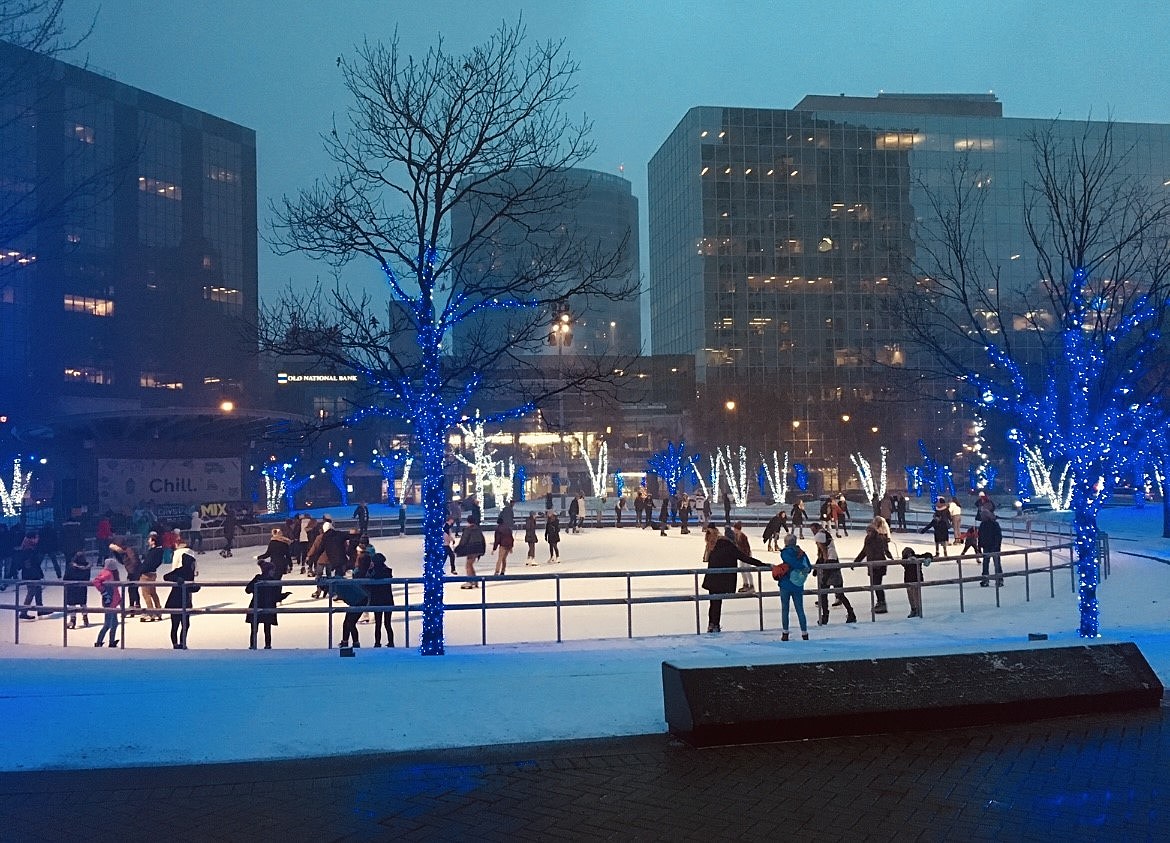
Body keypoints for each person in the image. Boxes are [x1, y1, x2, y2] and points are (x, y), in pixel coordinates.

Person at [701, 525, 765, 633]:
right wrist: (761, 564)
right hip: (722, 579)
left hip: (712, 579)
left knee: (714, 603)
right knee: (716, 603)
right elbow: (743, 557)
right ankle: (714, 625)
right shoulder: (726, 544)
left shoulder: (712, 546)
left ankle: (712, 624)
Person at [811, 523, 855, 625]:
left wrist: (824, 576)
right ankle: (826, 615)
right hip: (827, 571)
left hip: (833, 572)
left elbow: (830, 562)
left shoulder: (830, 551)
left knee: (837, 594)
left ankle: (849, 613)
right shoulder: (825, 548)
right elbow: (821, 557)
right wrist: (816, 568)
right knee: (825, 594)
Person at [854, 516, 894, 615]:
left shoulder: (880, 538)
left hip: (879, 565)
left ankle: (882, 603)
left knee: (877, 584)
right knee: (875, 584)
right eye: (867, 531)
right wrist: (856, 561)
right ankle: (880, 602)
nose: (868, 533)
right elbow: (864, 551)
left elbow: (885, 550)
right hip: (872, 565)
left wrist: (890, 557)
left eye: (869, 531)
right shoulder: (868, 539)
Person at [776, 533, 813, 640]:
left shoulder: (785, 553)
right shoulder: (801, 553)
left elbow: (791, 562)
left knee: (785, 609)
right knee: (800, 609)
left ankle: (785, 633)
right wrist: (802, 568)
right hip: (798, 585)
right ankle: (804, 633)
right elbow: (809, 567)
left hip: (785, 583)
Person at [163, 543, 199, 649]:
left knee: (185, 624)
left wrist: (195, 588)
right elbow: (166, 576)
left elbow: (188, 588)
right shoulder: (180, 570)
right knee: (176, 624)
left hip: (184, 601)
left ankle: (182, 642)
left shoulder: (190, 573)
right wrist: (177, 579)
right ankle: (176, 644)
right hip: (175, 601)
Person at [245, 560, 282, 649]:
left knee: (254, 629)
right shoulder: (273, 582)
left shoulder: (258, 579)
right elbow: (276, 597)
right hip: (267, 606)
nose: (274, 572)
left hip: (256, 605)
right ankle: (267, 646)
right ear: (268, 571)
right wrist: (283, 596)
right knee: (267, 628)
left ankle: (253, 645)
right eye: (272, 570)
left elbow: (248, 590)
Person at [331, 575, 369, 648]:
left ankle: (355, 643)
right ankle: (346, 641)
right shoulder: (337, 580)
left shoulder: (336, 585)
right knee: (347, 622)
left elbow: (340, 596)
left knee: (350, 623)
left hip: (359, 600)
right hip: (357, 600)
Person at [92, 558, 121, 648]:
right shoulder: (107, 574)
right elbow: (96, 581)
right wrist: (104, 592)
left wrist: (119, 600)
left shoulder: (110, 573)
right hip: (109, 601)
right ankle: (99, 642)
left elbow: (115, 590)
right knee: (107, 624)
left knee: (114, 624)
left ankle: (111, 642)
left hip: (113, 602)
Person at [367, 553, 395, 647]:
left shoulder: (372, 572)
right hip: (388, 599)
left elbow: (369, 582)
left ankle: (377, 642)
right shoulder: (387, 571)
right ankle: (391, 642)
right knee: (388, 623)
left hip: (377, 599)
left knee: (378, 623)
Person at [137, 532, 166, 621]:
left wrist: (141, 570)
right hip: (153, 573)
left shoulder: (153, 552)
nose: (148, 541)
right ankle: (158, 611)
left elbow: (147, 563)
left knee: (146, 594)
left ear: (153, 541)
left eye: (149, 539)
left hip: (146, 574)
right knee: (153, 593)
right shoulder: (159, 551)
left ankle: (151, 613)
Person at [454, 515, 486, 587]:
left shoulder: (468, 529)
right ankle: (475, 581)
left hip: (471, 549)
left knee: (468, 565)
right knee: (470, 565)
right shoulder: (478, 529)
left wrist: (458, 548)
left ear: (468, 521)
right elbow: (482, 539)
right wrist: (482, 550)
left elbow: (464, 540)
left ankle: (470, 581)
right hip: (478, 549)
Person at [63, 551, 91, 629]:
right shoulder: (87, 567)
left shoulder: (71, 567)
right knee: (83, 603)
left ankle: (72, 620)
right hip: (82, 587)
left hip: (72, 588)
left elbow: (66, 577)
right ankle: (85, 617)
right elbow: (87, 578)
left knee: (72, 604)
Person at [900, 547, 928, 618]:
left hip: (917, 579)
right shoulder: (905, 561)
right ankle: (913, 609)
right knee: (910, 596)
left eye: (910, 553)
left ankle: (918, 610)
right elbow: (902, 563)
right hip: (908, 580)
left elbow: (927, 554)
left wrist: (928, 558)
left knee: (916, 595)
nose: (909, 555)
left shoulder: (918, 557)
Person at [979, 510, 1004, 587]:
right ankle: (987, 579)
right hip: (987, 546)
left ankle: (998, 579)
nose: (981, 517)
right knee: (986, 563)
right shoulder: (983, 524)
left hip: (993, 547)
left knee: (995, 564)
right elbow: (980, 535)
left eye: (982, 516)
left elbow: (998, 536)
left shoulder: (993, 524)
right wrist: (980, 545)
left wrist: (996, 545)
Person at [732, 522, 756, 593]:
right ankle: (745, 584)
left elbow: (747, 547)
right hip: (742, 555)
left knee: (747, 570)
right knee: (742, 570)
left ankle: (751, 586)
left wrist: (747, 557)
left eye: (735, 529)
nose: (734, 530)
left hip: (746, 555)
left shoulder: (743, 536)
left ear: (738, 529)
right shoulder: (736, 536)